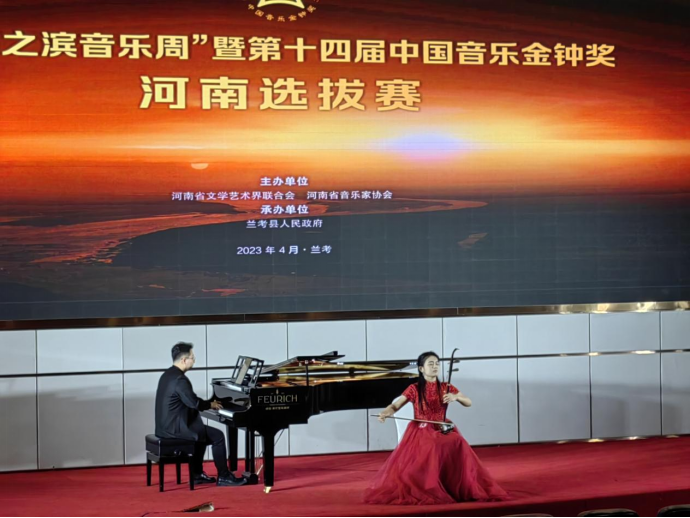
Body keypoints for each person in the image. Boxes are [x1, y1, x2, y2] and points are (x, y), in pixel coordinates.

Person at [364, 351, 508, 505]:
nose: (435, 367)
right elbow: (395, 406)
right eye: (430, 364)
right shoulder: (414, 388)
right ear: (421, 369)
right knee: (433, 444)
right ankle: (430, 485)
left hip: (442, 426)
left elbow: (468, 402)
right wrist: (385, 413)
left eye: (437, 364)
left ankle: (455, 485)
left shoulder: (446, 387)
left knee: (458, 441)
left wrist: (456, 397)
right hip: (421, 429)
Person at [155, 342, 246, 487]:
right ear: (184, 360)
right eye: (192, 357)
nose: (194, 360)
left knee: (201, 432)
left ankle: (196, 474)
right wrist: (211, 405)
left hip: (166, 427)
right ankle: (224, 476)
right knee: (218, 437)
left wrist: (208, 404)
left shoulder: (168, 375)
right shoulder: (180, 380)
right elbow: (195, 403)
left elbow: (190, 401)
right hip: (175, 430)